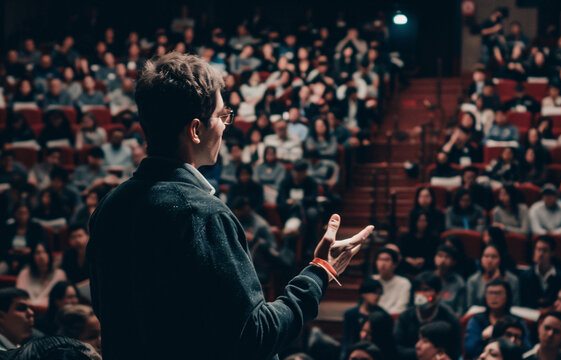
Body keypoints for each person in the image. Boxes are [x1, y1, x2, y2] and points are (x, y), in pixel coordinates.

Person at [87, 53, 373, 359]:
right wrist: (318, 272)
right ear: (196, 130)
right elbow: (255, 336)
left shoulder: (110, 207)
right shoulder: (201, 214)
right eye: (223, 116)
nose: (226, 127)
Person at [395, 271, 461, 360]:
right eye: (418, 290)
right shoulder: (405, 317)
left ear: (438, 294)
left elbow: (455, 350)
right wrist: (423, 353)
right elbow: (397, 348)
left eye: (426, 290)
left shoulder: (449, 317)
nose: (421, 294)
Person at [465, 279, 531, 359]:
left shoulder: (517, 321)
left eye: (498, 293)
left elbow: (527, 348)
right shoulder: (477, 319)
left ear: (507, 295)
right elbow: (470, 350)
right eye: (490, 293)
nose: (494, 297)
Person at [341, 279, 386, 360]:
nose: (377, 296)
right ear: (363, 294)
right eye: (374, 292)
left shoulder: (383, 315)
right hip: (354, 351)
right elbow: (347, 340)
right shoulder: (351, 314)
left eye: (379, 293)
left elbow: (384, 344)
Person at [466, 243, 520, 308]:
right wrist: (492, 282)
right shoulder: (473, 280)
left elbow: (515, 306)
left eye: (494, 257)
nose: (489, 260)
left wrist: (498, 282)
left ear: (500, 259)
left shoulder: (512, 280)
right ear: (481, 259)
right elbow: (470, 307)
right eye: (486, 256)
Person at [520, 236, 561, 309]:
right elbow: (523, 302)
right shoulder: (525, 276)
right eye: (538, 249)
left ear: (552, 253)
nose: (540, 254)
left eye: (544, 250)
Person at [16, 241, 67, 307]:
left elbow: (57, 299)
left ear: (49, 255)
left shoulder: (59, 274)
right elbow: (20, 296)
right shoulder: (24, 273)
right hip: (27, 310)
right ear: (32, 256)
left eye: (45, 252)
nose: (41, 256)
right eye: (37, 253)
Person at [0, 203, 46, 275]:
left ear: (29, 214)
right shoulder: (8, 228)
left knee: (26, 273)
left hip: (29, 260)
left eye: (25, 213)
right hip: (9, 259)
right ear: (14, 214)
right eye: (19, 213)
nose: (22, 216)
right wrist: (11, 255)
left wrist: (29, 250)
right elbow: (2, 248)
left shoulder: (36, 228)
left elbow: (42, 245)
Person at [372, 248, 411, 316]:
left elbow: (401, 308)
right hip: (373, 318)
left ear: (394, 264)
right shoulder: (371, 280)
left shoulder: (404, 283)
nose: (382, 263)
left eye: (386, 260)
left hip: (394, 318)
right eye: (380, 259)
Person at [433, 245, 466, 317]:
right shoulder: (427, 279)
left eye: (447, 257)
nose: (443, 260)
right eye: (440, 256)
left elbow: (460, 311)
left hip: (449, 322)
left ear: (453, 261)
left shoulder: (459, 283)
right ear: (434, 258)